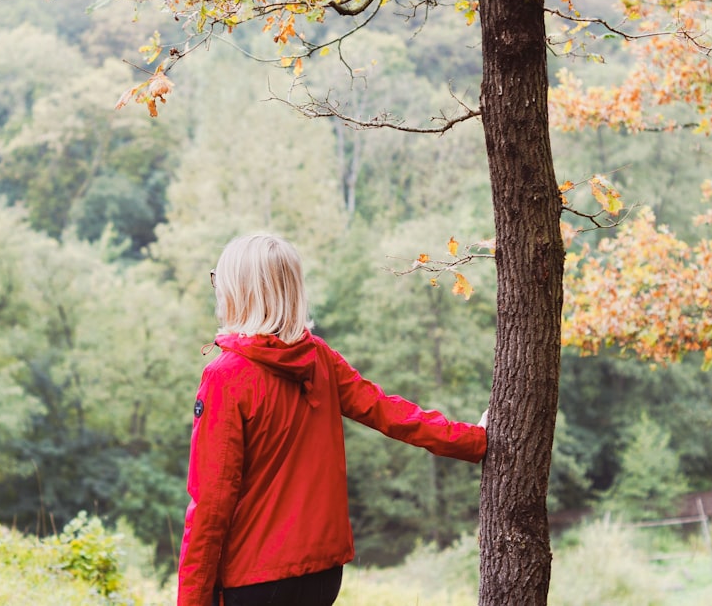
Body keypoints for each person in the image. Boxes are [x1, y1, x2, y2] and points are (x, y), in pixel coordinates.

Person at [177, 234, 488, 606]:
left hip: (255, 579)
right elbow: (391, 413)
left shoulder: (225, 376)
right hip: (322, 574)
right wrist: (473, 439)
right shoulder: (317, 358)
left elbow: (210, 503)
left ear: (240, 291)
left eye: (219, 280)